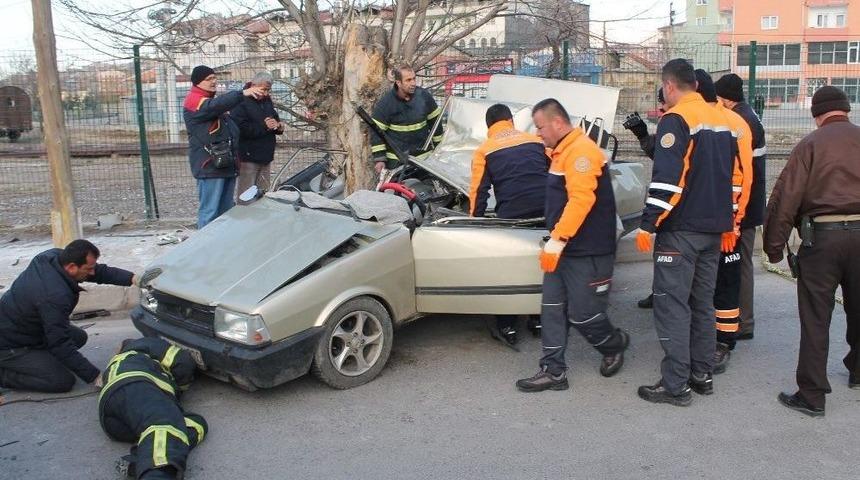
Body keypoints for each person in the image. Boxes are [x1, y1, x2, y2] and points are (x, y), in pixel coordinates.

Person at [635, 59, 736, 406]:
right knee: (702, 304)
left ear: (669, 86)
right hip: (713, 230)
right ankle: (701, 374)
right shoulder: (723, 119)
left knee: (672, 306)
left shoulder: (676, 120)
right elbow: (735, 178)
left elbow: (667, 180)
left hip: (681, 231)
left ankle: (676, 385)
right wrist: (730, 221)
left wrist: (649, 223)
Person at [515, 99, 630, 392]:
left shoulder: (582, 153)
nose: (538, 133)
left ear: (557, 123)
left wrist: (558, 239)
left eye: (540, 127)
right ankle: (553, 371)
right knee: (552, 309)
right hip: (565, 248)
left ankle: (614, 344)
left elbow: (581, 200)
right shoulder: (560, 151)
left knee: (583, 314)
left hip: (588, 249)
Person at [763, 85, 860, 417]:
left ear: (817, 115)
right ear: (846, 110)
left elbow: (785, 199)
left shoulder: (810, 145)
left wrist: (774, 248)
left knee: (816, 317)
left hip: (823, 239)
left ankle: (812, 395)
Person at [0, 240, 136, 393]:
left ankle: (40, 361)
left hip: (27, 328)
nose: (92, 273)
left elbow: (97, 271)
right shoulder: (54, 296)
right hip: (9, 344)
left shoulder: (53, 257)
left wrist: (132, 278)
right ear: (71, 267)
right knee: (61, 381)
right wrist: (95, 376)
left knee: (78, 337)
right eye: (88, 269)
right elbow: (59, 343)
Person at [470, 103, 548, 346]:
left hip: (513, 217)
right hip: (547, 211)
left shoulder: (485, 149)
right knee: (542, 264)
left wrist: (475, 223)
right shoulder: (536, 140)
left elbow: (478, 192)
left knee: (509, 270)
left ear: (488, 127)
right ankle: (539, 319)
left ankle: (507, 324)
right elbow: (554, 171)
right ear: (511, 120)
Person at [693, 69, 753, 379]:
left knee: (725, 286)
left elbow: (741, 178)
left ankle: (723, 342)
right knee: (707, 286)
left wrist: (732, 224)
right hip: (701, 224)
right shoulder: (702, 118)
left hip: (723, 225)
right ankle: (708, 339)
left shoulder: (732, 123)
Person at [98, 337, 207, 479]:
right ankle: (157, 472)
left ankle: (142, 460)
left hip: (114, 421)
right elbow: (182, 361)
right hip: (136, 387)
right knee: (164, 426)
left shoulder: (117, 363)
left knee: (197, 423)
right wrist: (179, 389)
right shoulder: (145, 345)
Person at [715, 73, 767, 341]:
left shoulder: (741, 121)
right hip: (750, 205)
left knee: (740, 265)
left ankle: (743, 323)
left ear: (725, 99)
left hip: (744, 208)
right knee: (739, 264)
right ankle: (741, 320)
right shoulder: (748, 115)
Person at [183, 65, 267, 228]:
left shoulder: (211, 102)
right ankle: (205, 248)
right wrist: (241, 93)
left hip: (224, 164)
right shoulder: (194, 101)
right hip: (210, 166)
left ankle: (222, 246)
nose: (213, 81)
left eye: (214, 78)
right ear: (197, 82)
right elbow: (215, 106)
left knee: (226, 212)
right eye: (209, 79)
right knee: (210, 212)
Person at [622, 88, 667, 310]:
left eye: (662, 103)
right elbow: (660, 152)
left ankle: (669, 298)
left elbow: (667, 170)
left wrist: (649, 222)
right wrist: (642, 135)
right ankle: (661, 293)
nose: (660, 109)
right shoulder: (673, 121)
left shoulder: (682, 121)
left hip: (679, 206)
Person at [370, 65, 444, 174]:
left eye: (414, 78)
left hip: (422, 160)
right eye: (408, 80)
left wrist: (440, 150)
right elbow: (376, 132)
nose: (413, 83)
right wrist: (380, 159)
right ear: (398, 83)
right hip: (396, 162)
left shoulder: (424, 97)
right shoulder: (386, 104)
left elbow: (436, 124)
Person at [230, 72, 284, 201]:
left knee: (263, 195)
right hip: (248, 157)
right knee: (246, 196)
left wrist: (278, 126)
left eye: (268, 90)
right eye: (264, 89)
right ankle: (245, 219)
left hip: (266, 156)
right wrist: (264, 127)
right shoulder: (240, 101)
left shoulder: (266, 100)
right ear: (254, 85)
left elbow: (274, 118)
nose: (266, 93)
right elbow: (240, 129)